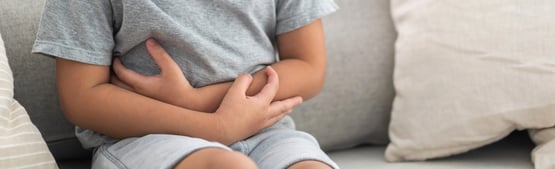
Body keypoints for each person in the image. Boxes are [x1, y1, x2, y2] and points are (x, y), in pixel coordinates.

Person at [32, 0, 339, 169]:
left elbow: (308, 66)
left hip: (265, 133)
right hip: (149, 140)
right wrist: (216, 128)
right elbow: (82, 99)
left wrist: (200, 102)